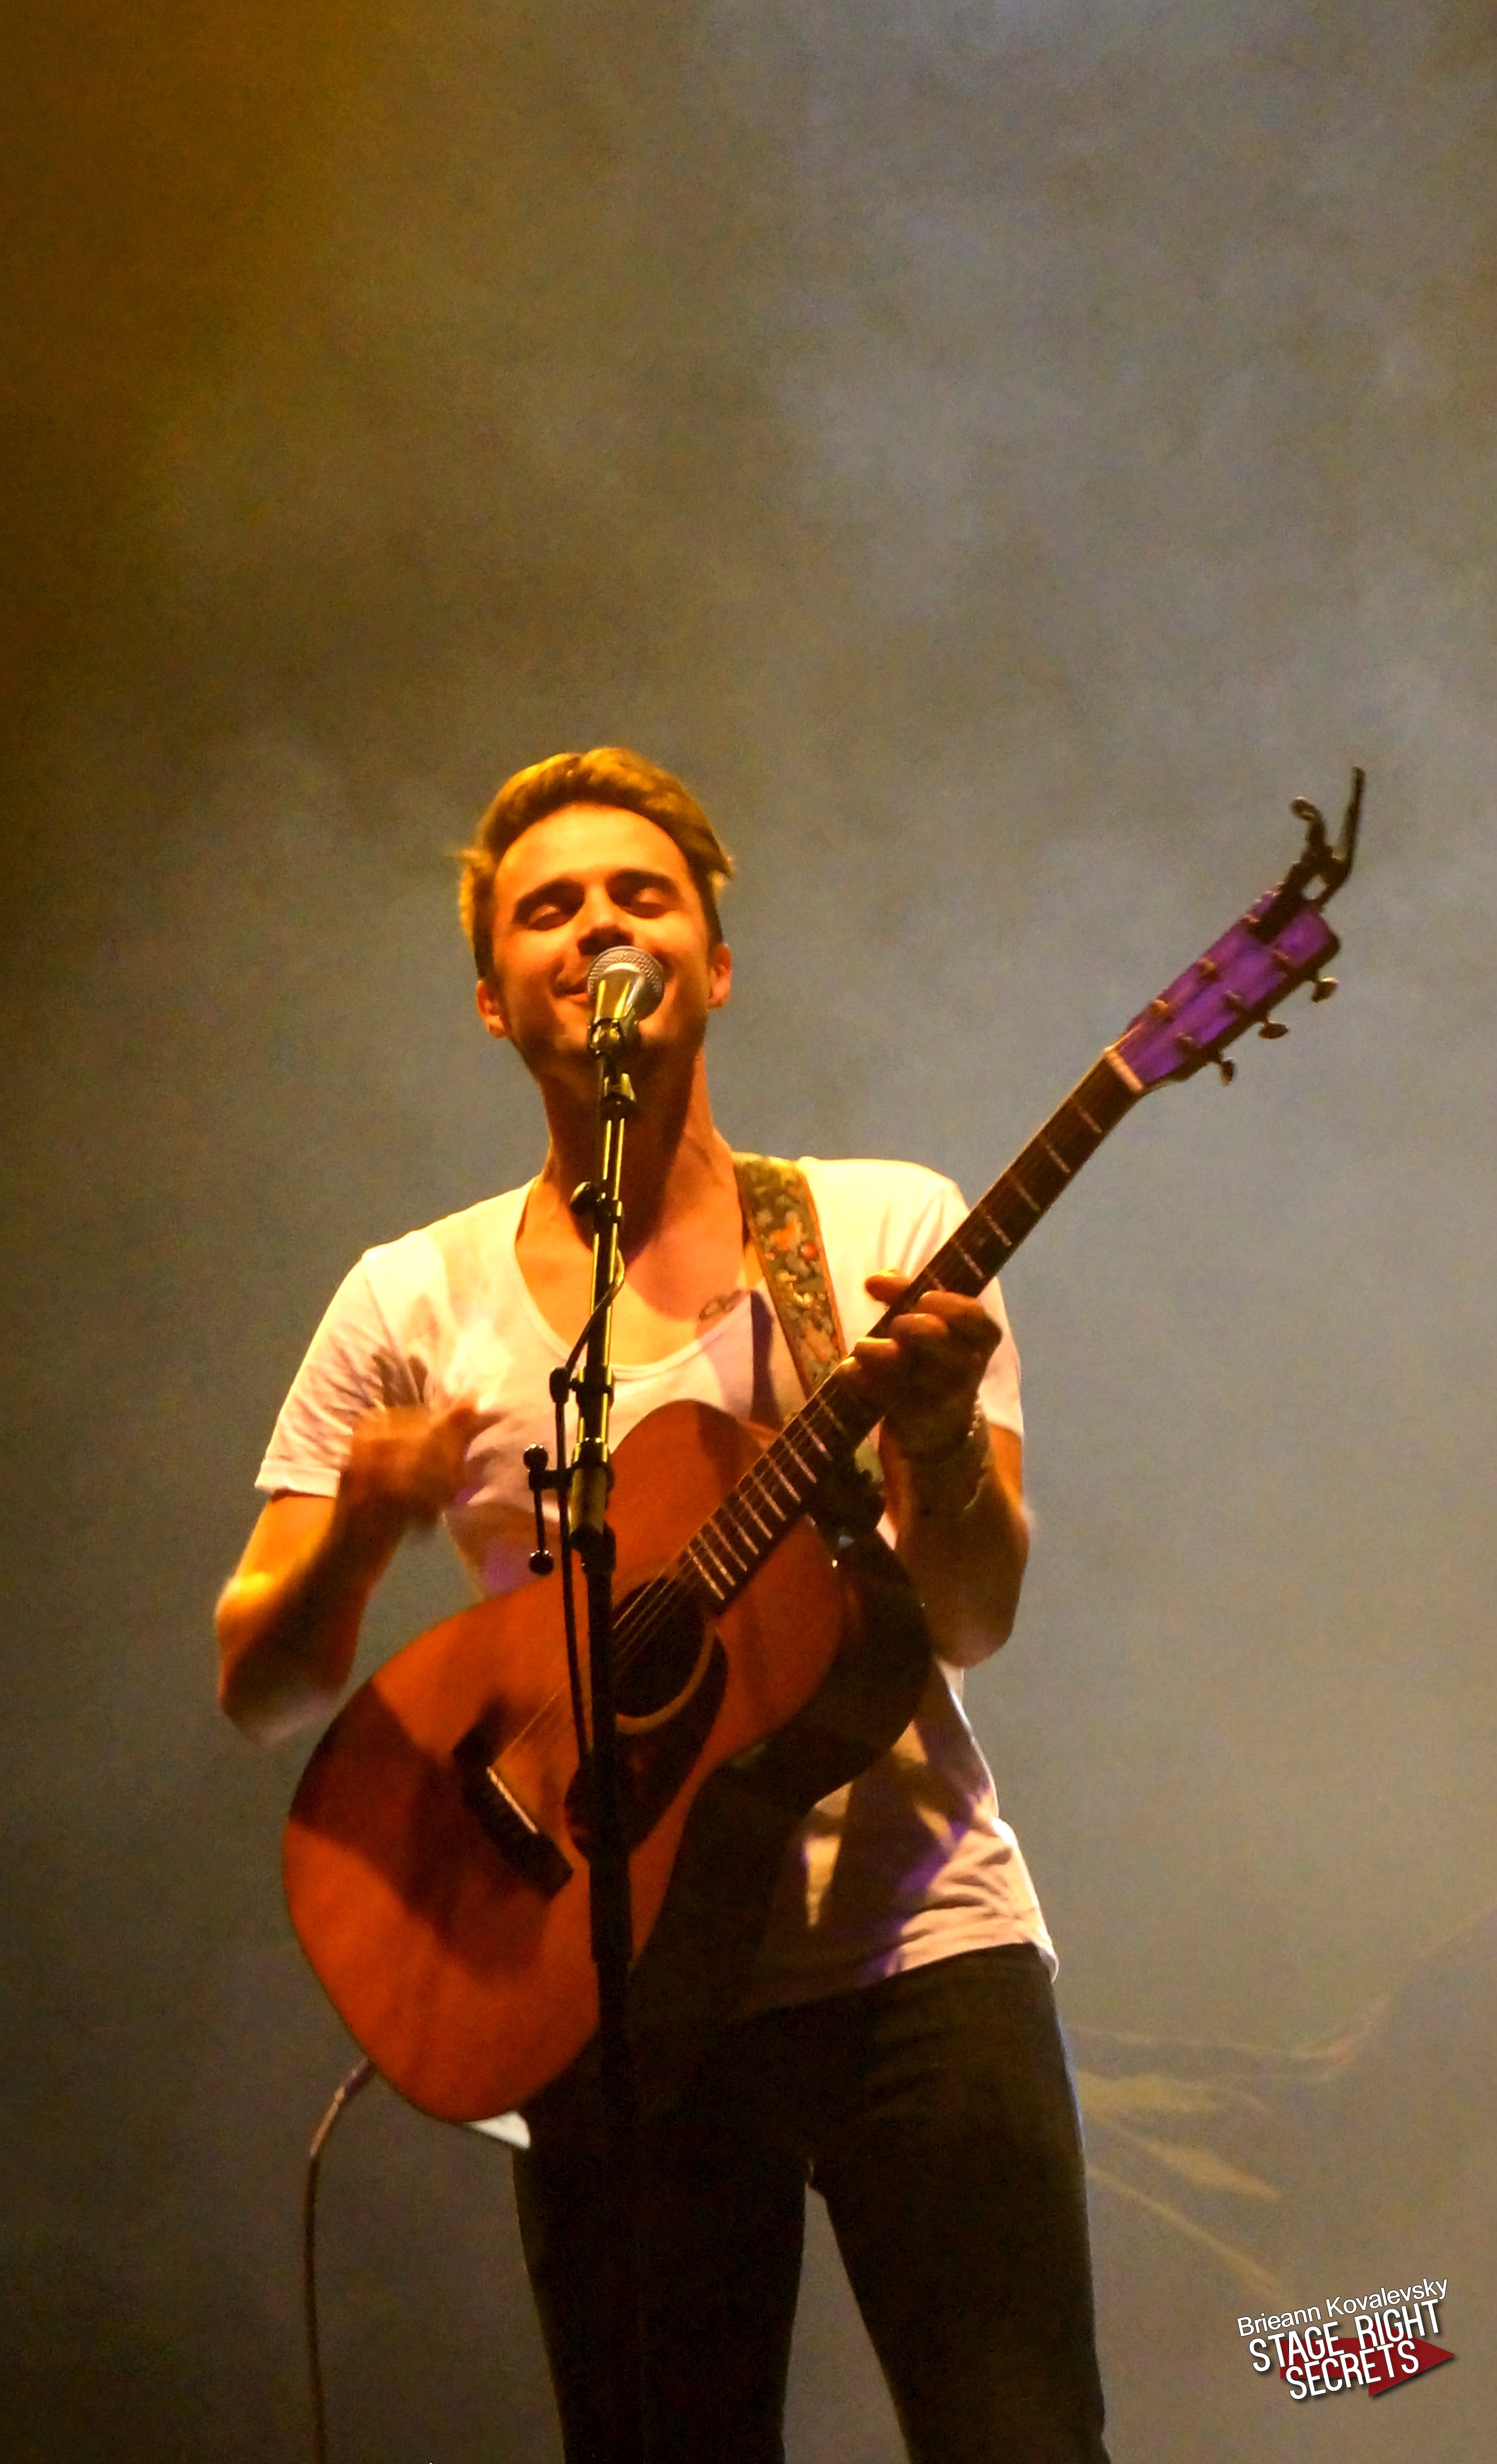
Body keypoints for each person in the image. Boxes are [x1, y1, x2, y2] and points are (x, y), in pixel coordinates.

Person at [216, 746, 1110, 2464]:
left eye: (642, 895)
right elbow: (262, 1687)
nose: (599, 926)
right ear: (495, 999)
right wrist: (355, 1536)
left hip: (917, 1947)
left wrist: (933, 1437)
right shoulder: (408, 1299)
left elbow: (970, 1618)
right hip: (605, 2005)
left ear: (715, 960)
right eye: (547, 907)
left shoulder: (878, 1231)